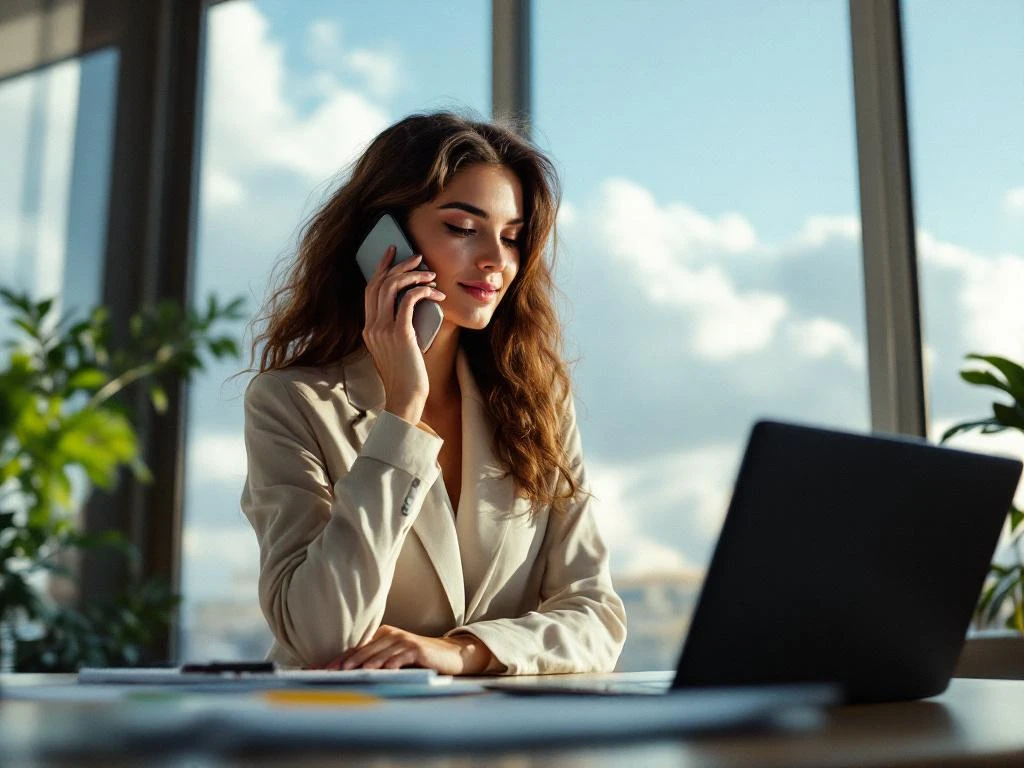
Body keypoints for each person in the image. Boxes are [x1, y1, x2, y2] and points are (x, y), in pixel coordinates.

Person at [241, 111, 626, 675]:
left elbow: (596, 616)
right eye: (463, 228)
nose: (495, 260)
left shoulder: (536, 403)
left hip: (497, 728)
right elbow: (321, 637)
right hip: (345, 724)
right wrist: (402, 414)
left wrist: (464, 652)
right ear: (383, 242)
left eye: (512, 237)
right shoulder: (290, 403)